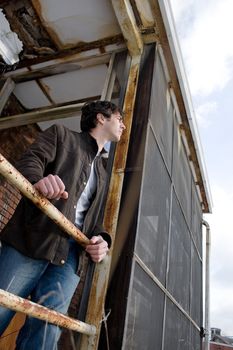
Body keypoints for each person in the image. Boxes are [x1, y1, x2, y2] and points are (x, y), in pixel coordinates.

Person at [0, 100, 126, 349]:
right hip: (34, 238)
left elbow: (96, 220)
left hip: (71, 257)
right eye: (119, 118)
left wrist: (103, 240)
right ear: (101, 118)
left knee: (46, 333)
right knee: (3, 306)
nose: (123, 124)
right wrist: (39, 181)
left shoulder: (103, 172)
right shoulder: (61, 134)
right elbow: (31, 160)